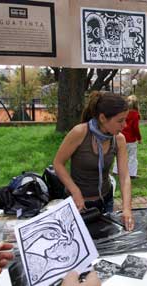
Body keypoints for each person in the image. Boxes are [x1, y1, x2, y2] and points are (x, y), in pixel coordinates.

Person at [54, 91, 134, 231]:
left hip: (105, 201)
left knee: (105, 246)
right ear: (103, 118)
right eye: (120, 120)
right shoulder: (79, 133)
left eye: (125, 120)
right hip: (77, 204)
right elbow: (58, 164)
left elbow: (124, 176)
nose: (125, 125)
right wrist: (75, 191)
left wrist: (126, 208)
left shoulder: (119, 139)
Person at [113, 94, 142, 178]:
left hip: (120, 136)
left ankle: (116, 171)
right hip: (130, 139)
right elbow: (135, 128)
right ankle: (132, 173)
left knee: (118, 154)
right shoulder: (135, 115)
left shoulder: (122, 113)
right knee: (132, 156)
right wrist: (139, 138)